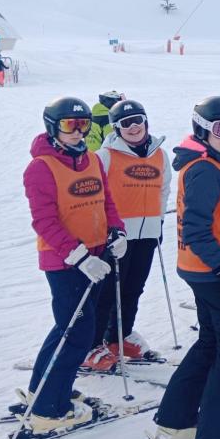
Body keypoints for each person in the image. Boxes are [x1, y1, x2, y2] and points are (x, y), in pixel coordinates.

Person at [146, 96, 220, 439]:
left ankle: (175, 424)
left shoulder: (213, 163)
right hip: (213, 273)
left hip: (204, 270)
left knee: (210, 343)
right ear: (202, 128)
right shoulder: (206, 169)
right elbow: (195, 228)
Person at [20, 97, 125, 433]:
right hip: (66, 263)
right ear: (53, 127)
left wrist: (117, 231)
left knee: (67, 327)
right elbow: (44, 222)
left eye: (83, 125)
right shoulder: (40, 167)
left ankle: (42, 389)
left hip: (96, 256)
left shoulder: (92, 159)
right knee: (77, 334)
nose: (78, 132)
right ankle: (49, 410)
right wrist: (79, 256)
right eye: (69, 125)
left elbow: (106, 201)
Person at [86, 99, 172, 369]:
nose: (133, 127)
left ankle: (119, 337)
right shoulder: (106, 155)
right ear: (116, 127)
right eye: (126, 123)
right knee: (108, 292)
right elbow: (95, 195)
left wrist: (157, 223)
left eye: (138, 121)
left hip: (146, 233)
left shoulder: (160, 154)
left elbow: (164, 190)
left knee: (134, 287)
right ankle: (93, 345)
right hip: (116, 237)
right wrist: (105, 230)